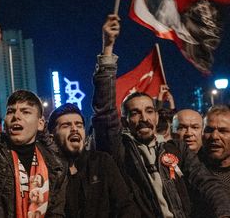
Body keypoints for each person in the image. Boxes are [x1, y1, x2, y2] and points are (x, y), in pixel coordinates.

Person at [92, 14, 230, 218]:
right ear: (124, 120)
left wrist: (224, 212)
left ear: (157, 117)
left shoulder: (176, 149)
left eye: (149, 111)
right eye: (135, 113)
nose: (144, 118)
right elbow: (104, 110)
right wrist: (108, 48)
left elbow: (207, 184)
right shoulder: (120, 151)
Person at [0, 18, 67, 217]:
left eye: (26, 112)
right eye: (11, 112)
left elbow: (56, 212)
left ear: (41, 123)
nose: (16, 116)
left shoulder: (55, 164)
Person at [47, 103, 138, 217]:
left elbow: (125, 207)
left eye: (79, 125)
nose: (74, 129)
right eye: (66, 125)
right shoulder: (47, 172)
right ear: (51, 137)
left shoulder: (102, 162)